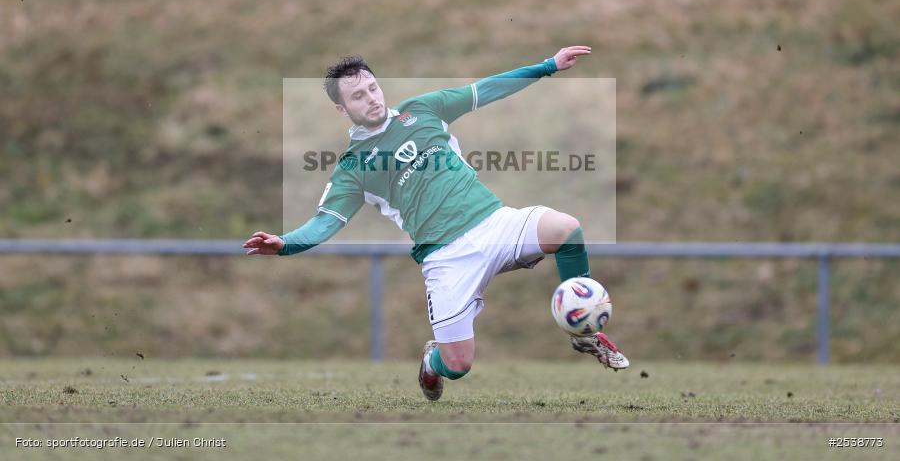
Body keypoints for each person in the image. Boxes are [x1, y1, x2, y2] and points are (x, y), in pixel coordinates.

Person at [243, 46, 629, 401]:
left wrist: (548, 66)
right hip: (446, 258)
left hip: (495, 223)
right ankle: (433, 363)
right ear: (342, 109)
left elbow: (486, 89)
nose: (372, 98)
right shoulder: (353, 167)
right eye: (358, 96)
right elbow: (325, 222)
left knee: (566, 229)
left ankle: (586, 332)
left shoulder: (423, 109)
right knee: (458, 365)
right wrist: (285, 243)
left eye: (374, 88)